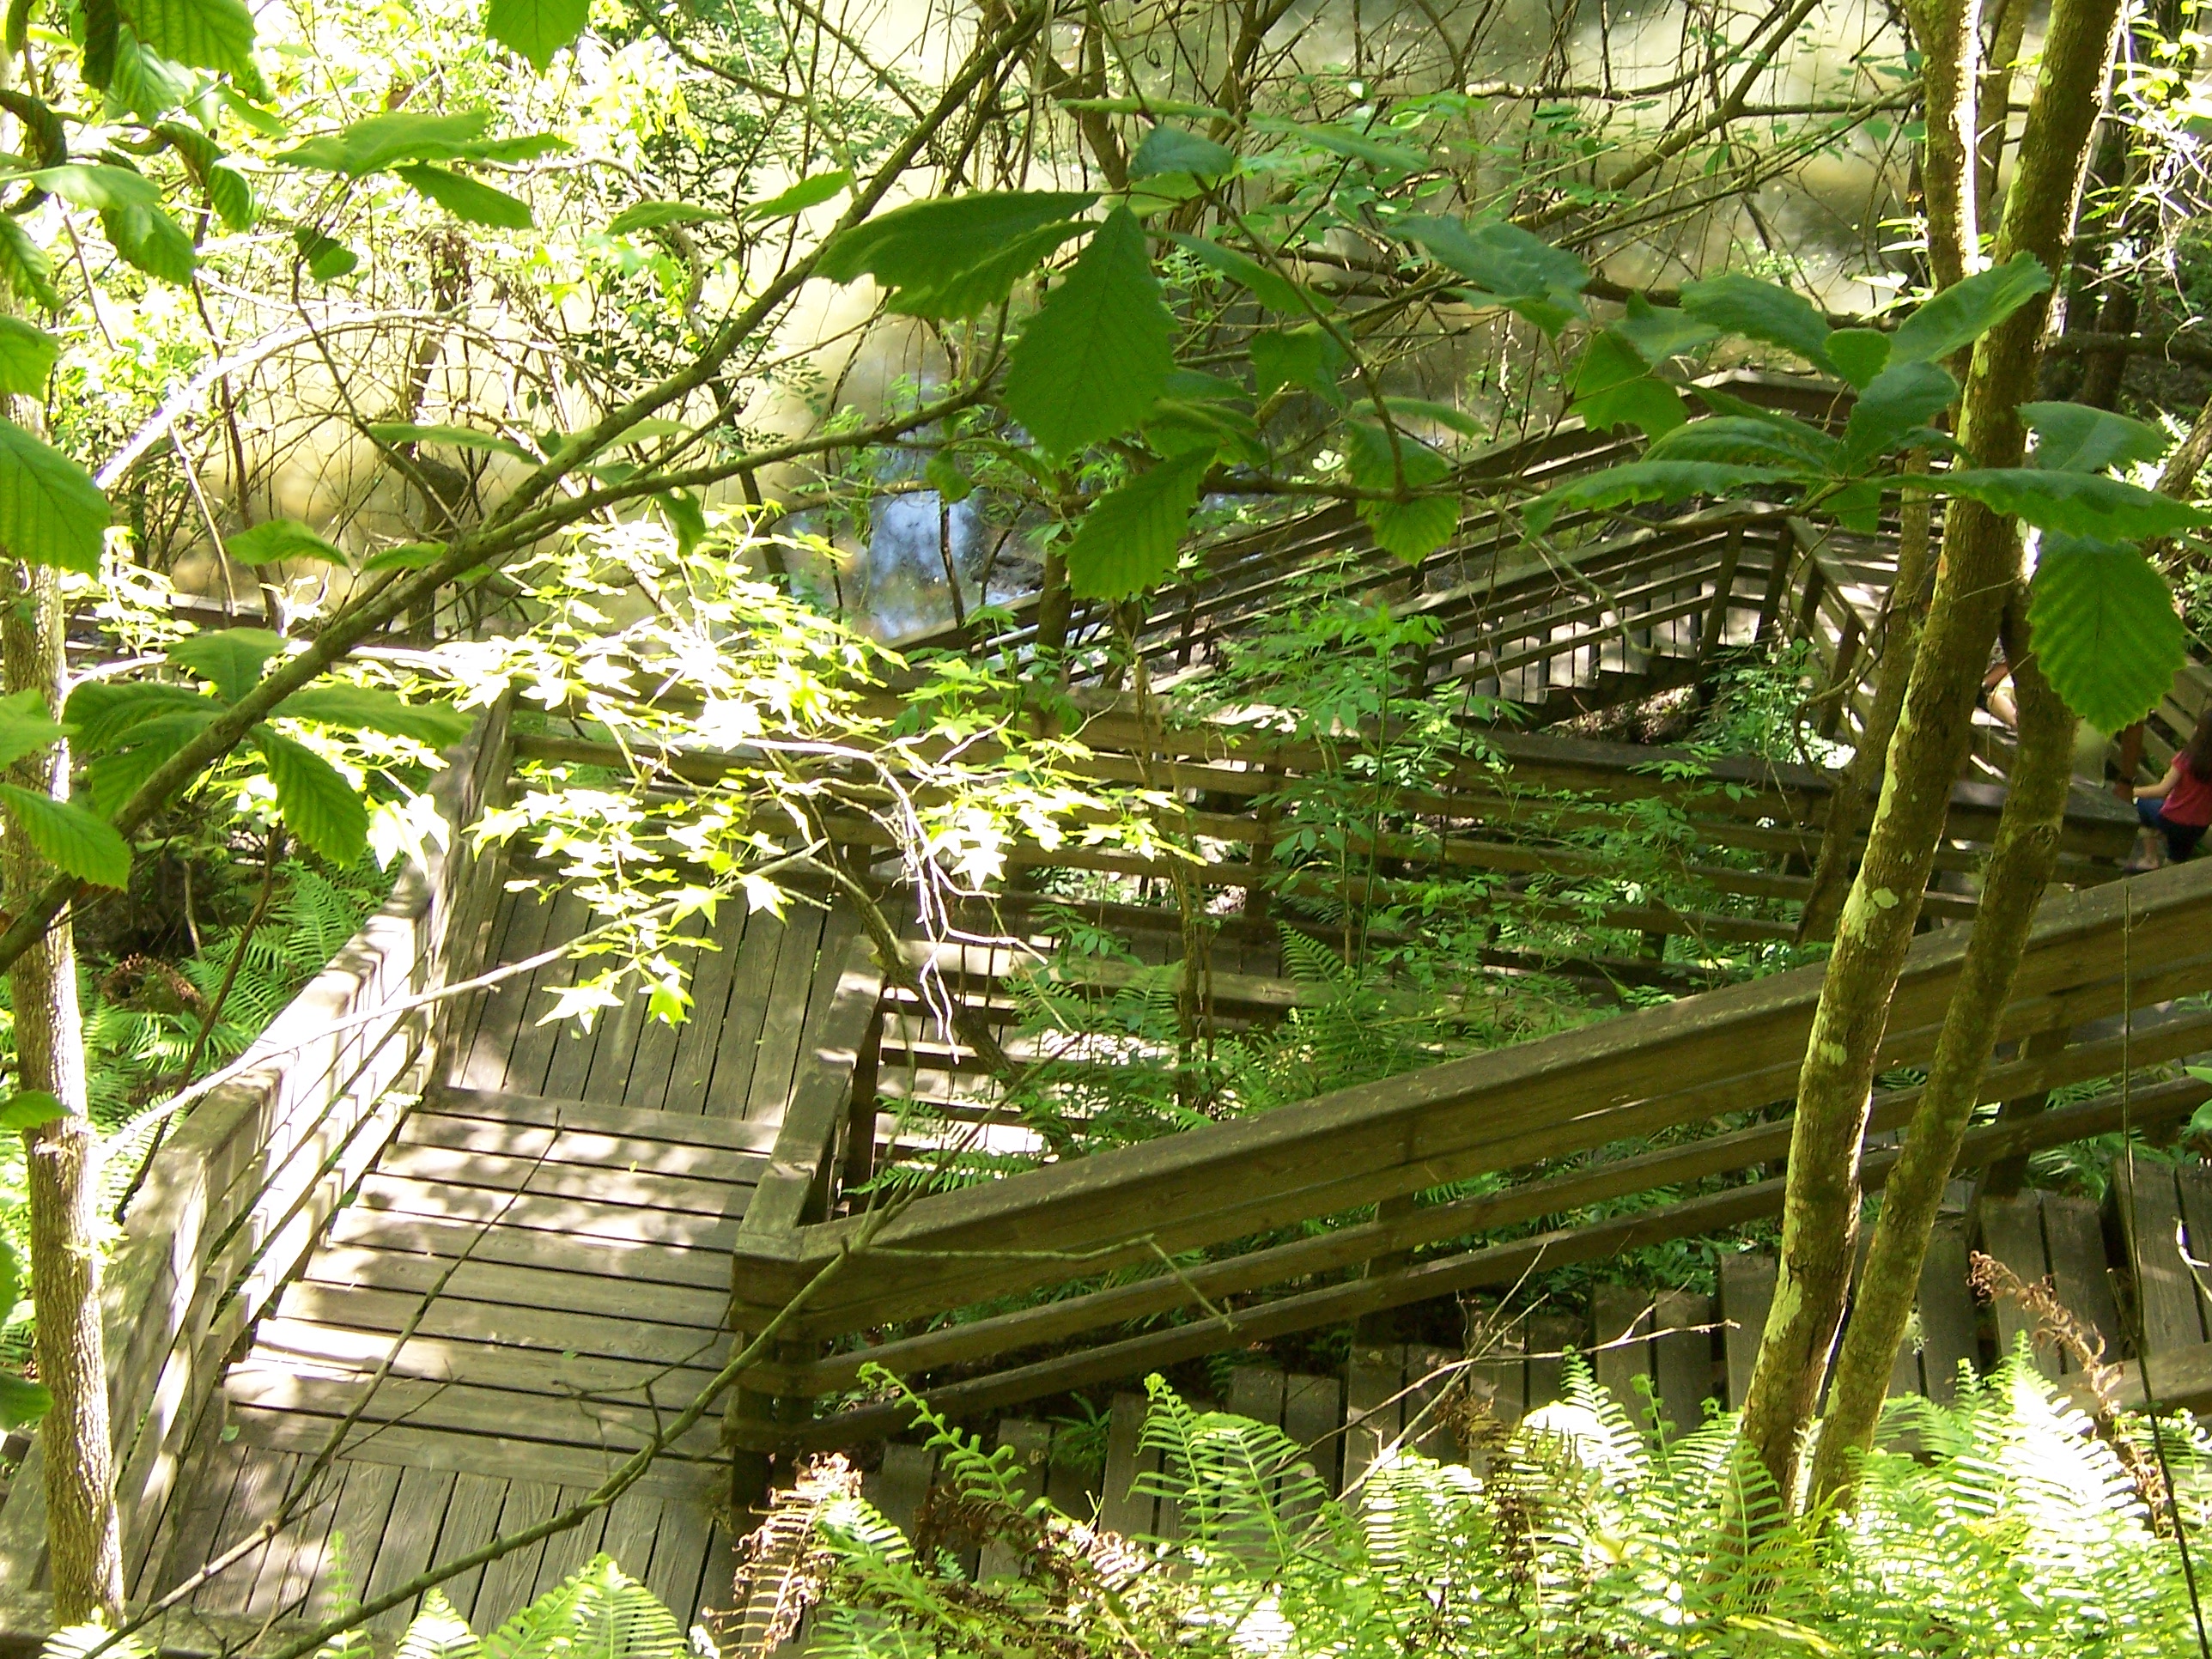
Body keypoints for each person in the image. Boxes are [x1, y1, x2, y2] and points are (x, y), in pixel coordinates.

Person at [2132, 704, 2212, 865]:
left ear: (2199, 730)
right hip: (2198, 828)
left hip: (2172, 820)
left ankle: (2150, 859)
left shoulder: (2187, 758)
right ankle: (2171, 866)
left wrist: (2132, 791)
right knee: (2178, 854)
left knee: (2143, 805)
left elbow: (2162, 790)